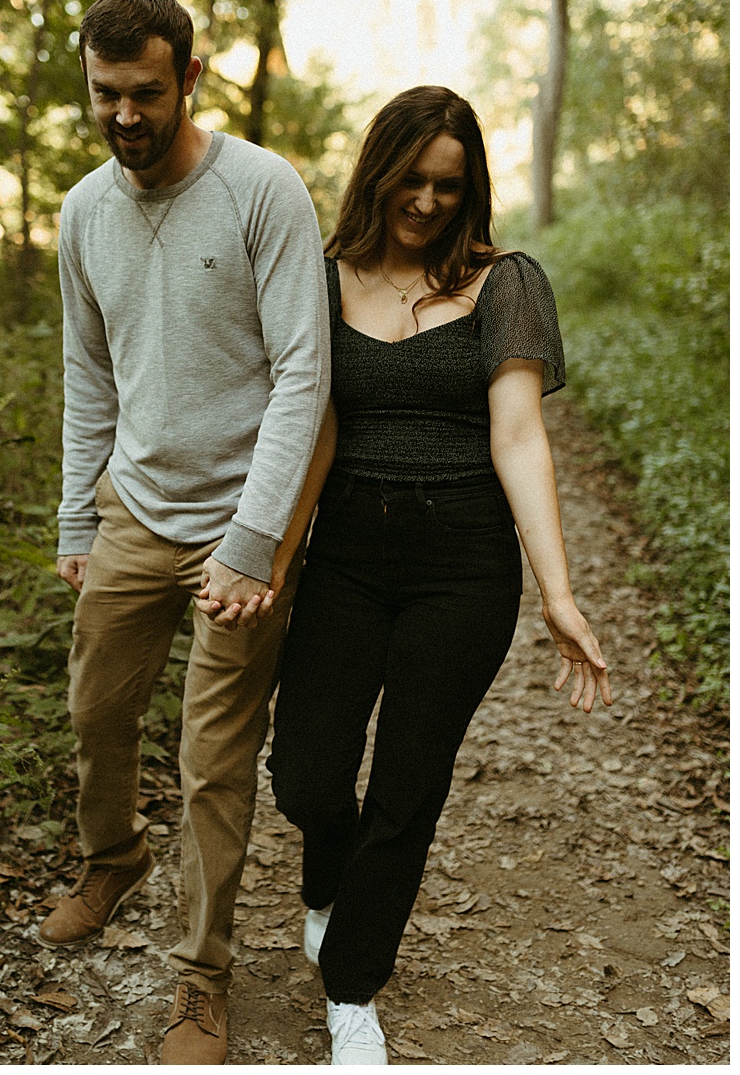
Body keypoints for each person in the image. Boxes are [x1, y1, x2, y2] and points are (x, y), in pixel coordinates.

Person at [265, 86, 613, 1064]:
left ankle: (353, 991)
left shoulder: (507, 282)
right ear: (379, 171)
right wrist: (273, 558)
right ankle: (327, 879)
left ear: (472, 188)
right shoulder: (323, 276)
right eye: (411, 178)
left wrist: (559, 593)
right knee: (304, 775)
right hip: (347, 558)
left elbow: (518, 436)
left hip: (461, 565)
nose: (425, 199)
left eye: (447, 184)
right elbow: (306, 427)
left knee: (409, 788)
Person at [46, 0, 330, 1063]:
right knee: (95, 712)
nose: (125, 113)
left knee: (214, 757)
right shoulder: (83, 213)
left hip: (240, 529)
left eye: (145, 92)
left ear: (189, 80)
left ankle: (201, 979)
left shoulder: (262, 190)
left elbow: (305, 372)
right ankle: (111, 856)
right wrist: (80, 511)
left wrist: (256, 541)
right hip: (133, 514)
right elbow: (88, 372)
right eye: (106, 93)